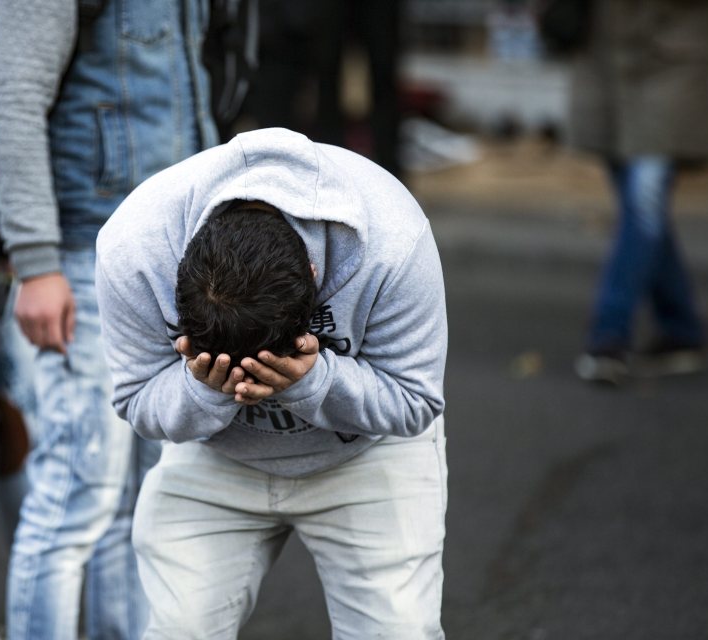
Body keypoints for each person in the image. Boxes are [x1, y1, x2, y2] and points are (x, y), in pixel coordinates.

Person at [96, 127, 449, 638]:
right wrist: (202, 390)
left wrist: (313, 380)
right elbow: (135, 398)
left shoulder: (391, 240)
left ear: (312, 273)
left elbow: (416, 399)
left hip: (366, 456)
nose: (247, 379)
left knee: (399, 631)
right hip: (214, 459)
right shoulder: (134, 249)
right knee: (180, 630)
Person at [0, 0, 217, 637]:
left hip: (172, 256)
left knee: (139, 504)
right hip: (86, 254)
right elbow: (9, 103)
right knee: (73, 497)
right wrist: (36, 265)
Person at [570, 0, 708, 385]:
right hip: (604, 61)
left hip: (668, 60)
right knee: (644, 211)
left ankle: (609, 335)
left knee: (644, 202)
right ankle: (682, 330)